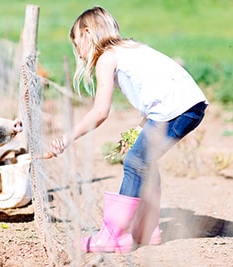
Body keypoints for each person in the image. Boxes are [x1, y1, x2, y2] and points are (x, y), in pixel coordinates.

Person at [50, 6, 208, 253]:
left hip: (178, 108)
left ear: (88, 33)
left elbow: (100, 112)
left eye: (77, 42)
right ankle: (147, 229)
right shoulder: (130, 48)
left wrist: (66, 138)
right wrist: (137, 132)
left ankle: (114, 235)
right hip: (187, 105)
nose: (78, 53)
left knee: (135, 163)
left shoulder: (107, 57)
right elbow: (158, 95)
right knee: (145, 160)